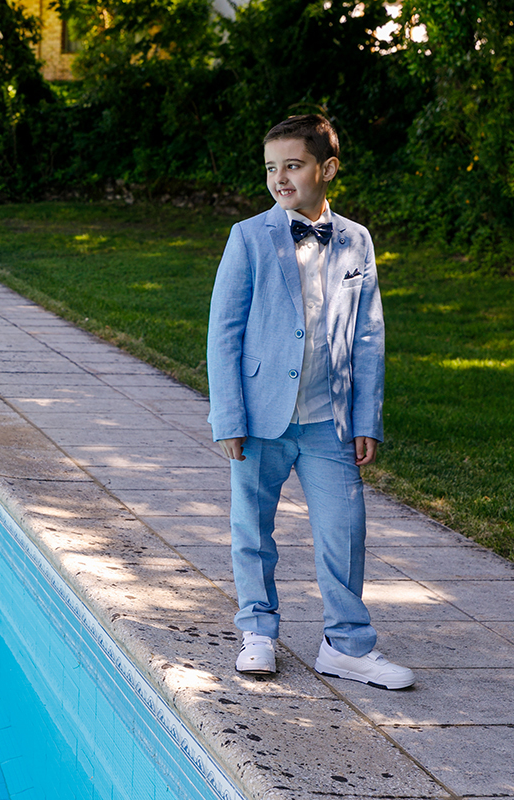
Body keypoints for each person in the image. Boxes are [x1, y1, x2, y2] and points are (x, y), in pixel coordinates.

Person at [206, 114, 414, 690]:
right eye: (272, 168)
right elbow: (223, 332)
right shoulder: (248, 237)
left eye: (292, 165)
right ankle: (257, 630)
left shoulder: (357, 241)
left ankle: (345, 644)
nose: (280, 178)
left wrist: (366, 416)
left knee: (345, 531)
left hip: (330, 421)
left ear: (327, 169)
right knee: (252, 526)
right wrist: (228, 415)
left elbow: (369, 336)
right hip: (260, 418)